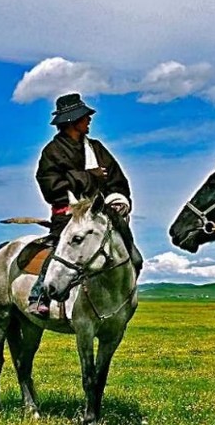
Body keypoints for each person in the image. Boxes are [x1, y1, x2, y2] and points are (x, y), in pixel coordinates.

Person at [27, 93, 141, 317]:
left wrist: (118, 199)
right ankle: (39, 295)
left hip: (102, 215)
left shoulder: (96, 149)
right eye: (84, 117)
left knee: (134, 257)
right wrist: (92, 176)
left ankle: (123, 299)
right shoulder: (52, 152)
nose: (89, 120)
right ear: (72, 121)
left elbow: (117, 179)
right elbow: (51, 186)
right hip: (70, 214)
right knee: (60, 247)